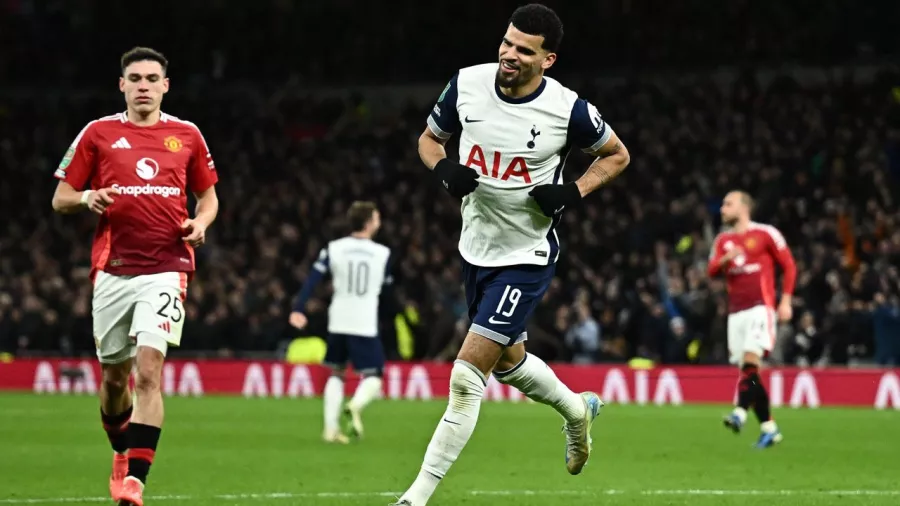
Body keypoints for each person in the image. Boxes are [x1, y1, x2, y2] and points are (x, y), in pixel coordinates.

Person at [392, 4, 631, 505]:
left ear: (548, 60)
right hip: (475, 247)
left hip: (526, 253)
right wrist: (443, 170)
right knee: (509, 363)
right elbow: (429, 141)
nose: (509, 54)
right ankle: (576, 411)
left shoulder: (569, 109)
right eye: (507, 42)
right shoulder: (466, 85)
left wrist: (573, 191)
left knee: (466, 376)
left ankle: (415, 497)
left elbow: (617, 154)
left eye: (525, 50)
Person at [51, 47, 219, 506]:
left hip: (167, 268)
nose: (143, 85)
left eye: (151, 78)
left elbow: (208, 198)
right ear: (121, 85)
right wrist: (88, 199)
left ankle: (136, 481)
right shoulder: (98, 134)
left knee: (149, 372)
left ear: (166, 85)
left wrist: (200, 224)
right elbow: (60, 197)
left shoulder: (186, 135)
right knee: (113, 379)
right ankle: (120, 453)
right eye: (135, 78)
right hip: (113, 271)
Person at [289, 201, 392, 443]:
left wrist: (298, 308)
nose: (379, 222)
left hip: (339, 318)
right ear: (368, 223)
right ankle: (355, 406)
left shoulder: (334, 248)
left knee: (336, 372)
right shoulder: (382, 254)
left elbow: (313, 279)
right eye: (377, 218)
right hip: (364, 320)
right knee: (374, 376)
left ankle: (330, 429)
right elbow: (387, 288)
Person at [708, 191, 796, 448]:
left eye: (728, 204)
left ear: (744, 207)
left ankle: (739, 412)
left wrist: (786, 300)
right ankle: (770, 428)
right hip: (736, 313)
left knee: (750, 362)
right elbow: (711, 270)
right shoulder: (722, 240)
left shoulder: (766, 233)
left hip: (761, 308)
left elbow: (789, 265)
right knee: (750, 373)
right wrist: (725, 259)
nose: (722, 208)